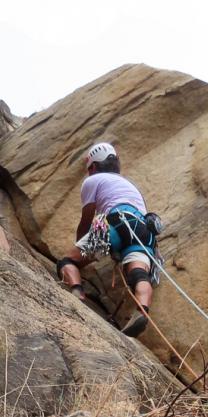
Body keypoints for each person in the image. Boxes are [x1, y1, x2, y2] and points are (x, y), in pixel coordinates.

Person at [55, 142, 159, 339]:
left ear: (93, 166)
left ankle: (77, 294)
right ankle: (142, 311)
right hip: (144, 231)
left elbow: (86, 221)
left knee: (67, 261)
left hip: (113, 225)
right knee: (139, 275)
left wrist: (82, 251)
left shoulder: (93, 181)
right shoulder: (131, 186)